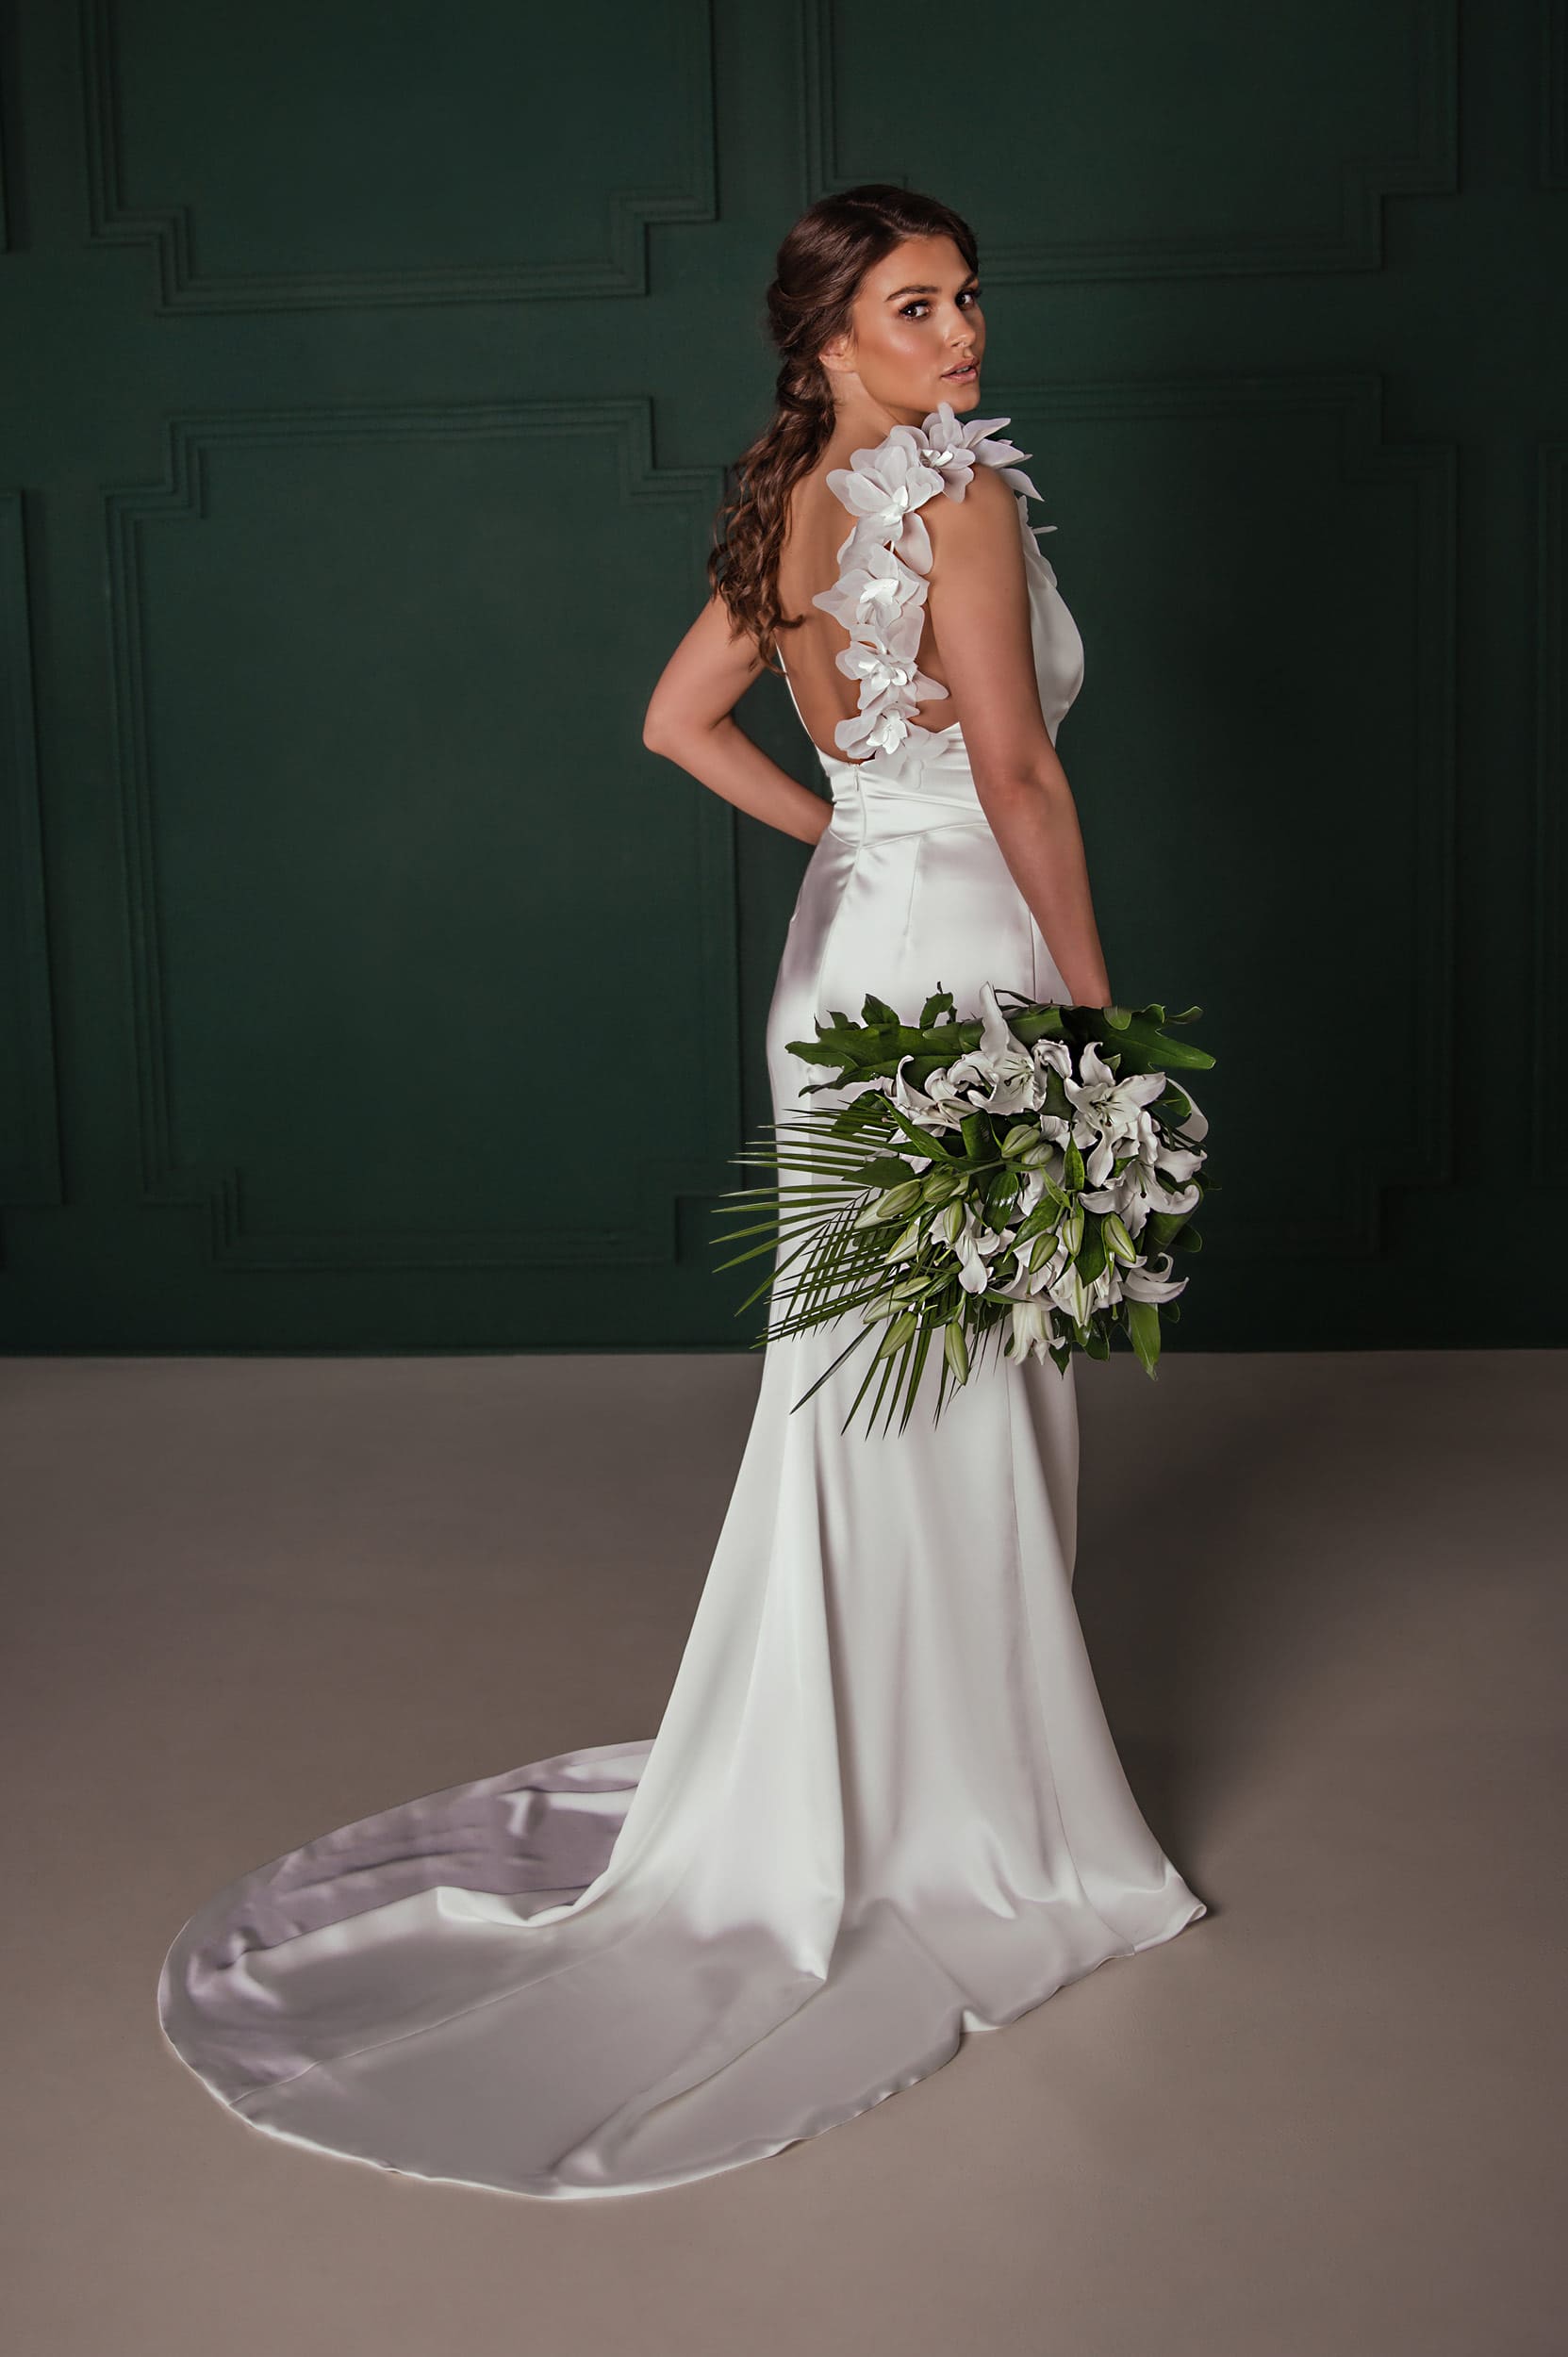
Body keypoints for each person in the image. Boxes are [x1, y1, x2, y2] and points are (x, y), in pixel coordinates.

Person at [157, 185, 1207, 2201]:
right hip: (960, 959)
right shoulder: (958, 498)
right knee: (963, 1377)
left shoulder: (787, 497)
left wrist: (852, 836)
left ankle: (880, 1765)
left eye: (969, 297)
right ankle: (969, 1802)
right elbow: (1016, 774)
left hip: (846, 957)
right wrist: (1095, 1022)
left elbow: (673, 722)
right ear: (830, 334)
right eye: (918, 308)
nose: (964, 333)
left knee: (871, 1380)